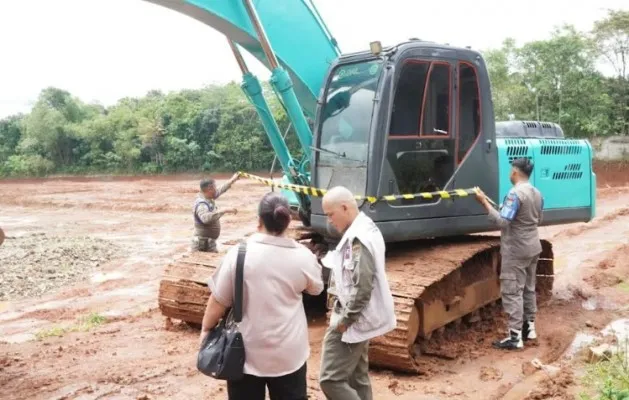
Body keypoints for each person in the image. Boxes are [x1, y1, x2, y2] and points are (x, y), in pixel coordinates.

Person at [199, 192, 324, 400]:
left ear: (259, 220)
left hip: (244, 354)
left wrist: (205, 329)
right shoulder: (303, 256)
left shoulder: (238, 254)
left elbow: (218, 300)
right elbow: (316, 289)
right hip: (289, 353)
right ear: (287, 222)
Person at [318, 186, 397, 400]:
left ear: (344, 207)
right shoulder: (366, 228)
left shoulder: (358, 238)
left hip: (351, 319)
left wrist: (346, 320)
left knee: (330, 379)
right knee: (357, 377)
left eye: (331, 214)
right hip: (359, 317)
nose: (329, 221)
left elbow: (362, 287)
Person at [475, 157, 544, 350]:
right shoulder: (537, 193)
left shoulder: (515, 194)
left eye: (510, 170)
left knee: (512, 291)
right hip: (533, 246)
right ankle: (529, 329)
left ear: (514, 172)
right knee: (529, 288)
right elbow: (537, 218)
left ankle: (515, 338)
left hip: (516, 250)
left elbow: (502, 222)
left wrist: (483, 203)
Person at [192, 173, 240, 252]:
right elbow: (206, 219)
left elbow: (220, 190)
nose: (216, 189)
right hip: (202, 245)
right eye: (214, 187)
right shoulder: (202, 204)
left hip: (208, 243)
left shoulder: (208, 197)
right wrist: (224, 210)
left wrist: (232, 180)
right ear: (210, 189)